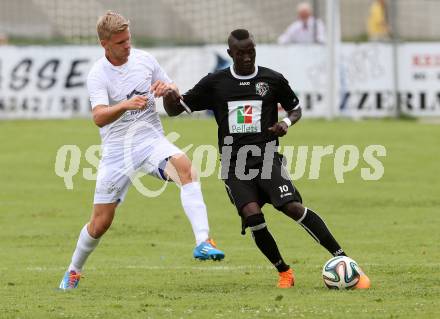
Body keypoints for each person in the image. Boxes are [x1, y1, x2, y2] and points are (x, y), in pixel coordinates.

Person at [162, 29, 370, 289]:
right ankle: (284, 271)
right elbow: (175, 109)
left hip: (268, 158)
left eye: (251, 52)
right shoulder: (215, 83)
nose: (247, 58)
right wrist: (170, 99)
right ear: (230, 54)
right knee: (253, 217)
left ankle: (344, 259)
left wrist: (285, 122)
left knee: (292, 208)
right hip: (234, 165)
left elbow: (295, 109)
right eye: (241, 53)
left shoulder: (272, 79)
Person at [59, 11, 224, 290]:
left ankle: (203, 242)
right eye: (121, 42)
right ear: (105, 44)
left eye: (129, 39)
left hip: (151, 141)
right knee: (100, 223)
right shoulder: (98, 74)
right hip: (117, 152)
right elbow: (98, 116)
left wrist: (167, 89)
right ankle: (73, 271)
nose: (128, 46)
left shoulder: (145, 60)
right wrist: (124, 105)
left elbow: (173, 89)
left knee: (186, 168)